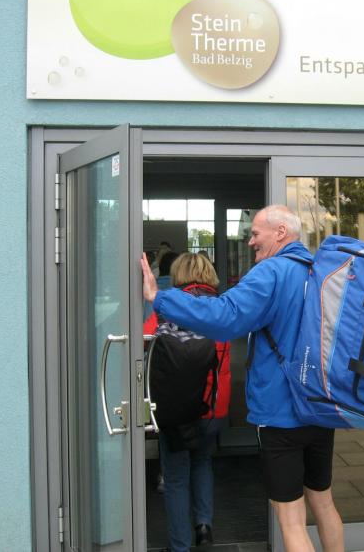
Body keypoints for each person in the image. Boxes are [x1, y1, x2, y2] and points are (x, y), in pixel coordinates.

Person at [141, 205, 344, 552]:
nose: (250, 241)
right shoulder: (319, 272)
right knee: (324, 503)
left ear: (280, 232)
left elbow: (225, 317)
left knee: (291, 520)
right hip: (320, 407)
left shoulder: (272, 272)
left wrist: (159, 298)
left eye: (255, 233)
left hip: (283, 414)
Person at [146, 253, 231, 552]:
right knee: (203, 462)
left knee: (176, 476)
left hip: (177, 407)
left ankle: (180, 545)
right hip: (213, 405)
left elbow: (144, 338)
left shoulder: (168, 306)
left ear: (178, 274)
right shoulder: (223, 308)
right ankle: (204, 528)